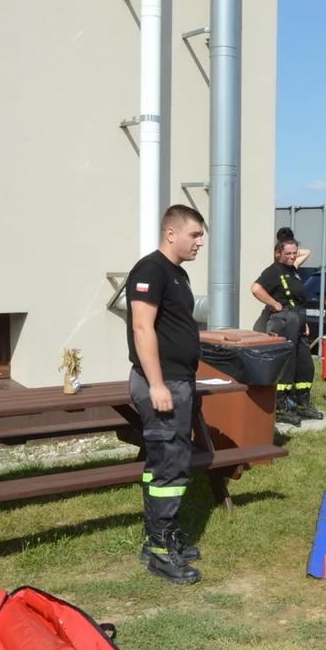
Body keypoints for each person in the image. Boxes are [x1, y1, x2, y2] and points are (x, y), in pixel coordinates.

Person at [125, 204, 206, 585]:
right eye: (194, 235)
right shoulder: (150, 270)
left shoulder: (178, 275)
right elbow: (143, 328)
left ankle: (160, 537)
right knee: (168, 465)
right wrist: (157, 384)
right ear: (171, 233)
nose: (200, 242)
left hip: (178, 381)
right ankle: (160, 551)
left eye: (201, 236)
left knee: (169, 462)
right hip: (162, 383)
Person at [250, 238, 323, 425]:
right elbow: (256, 288)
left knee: (305, 364)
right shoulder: (274, 271)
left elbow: (306, 252)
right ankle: (281, 408)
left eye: (294, 253)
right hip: (284, 320)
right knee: (287, 365)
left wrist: (303, 322)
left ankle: (302, 405)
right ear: (278, 254)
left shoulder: (293, 269)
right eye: (287, 253)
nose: (292, 256)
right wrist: (274, 303)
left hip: (298, 319)